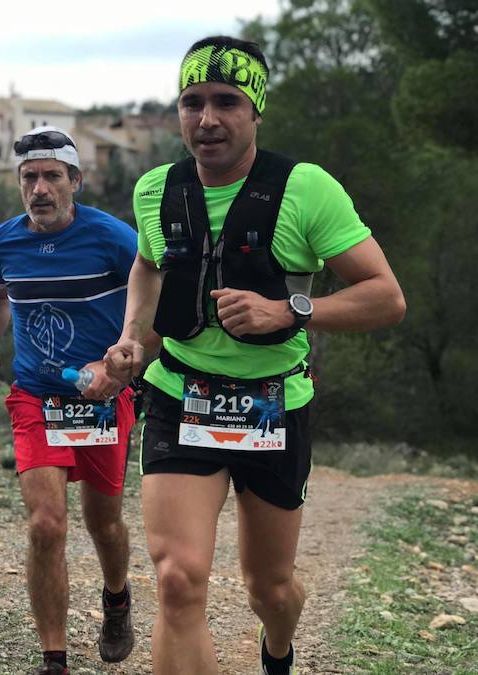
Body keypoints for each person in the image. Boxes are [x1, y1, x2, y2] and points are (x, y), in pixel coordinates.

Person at [104, 36, 406, 675]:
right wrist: (133, 340)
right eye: (192, 102)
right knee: (179, 579)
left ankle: (277, 645)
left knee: (269, 590)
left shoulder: (306, 190)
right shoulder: (157, 189)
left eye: (226, 102)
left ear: (255, 110)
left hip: (273, 404)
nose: (206, 119)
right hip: (180, 395)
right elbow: (150, 267)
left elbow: (386, 298)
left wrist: (289, 311)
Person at [0, 126, 140, 675]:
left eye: (51, 176)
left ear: (75, 181)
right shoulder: (3, 241)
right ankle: (54, 659)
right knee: (45, 524)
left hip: (104, 399)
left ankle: (116, 598)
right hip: (36, 397)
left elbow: (153, 302)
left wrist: (120, 362)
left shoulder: (114, 239)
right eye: (29, 177)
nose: (39, 188)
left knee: (103, 523)